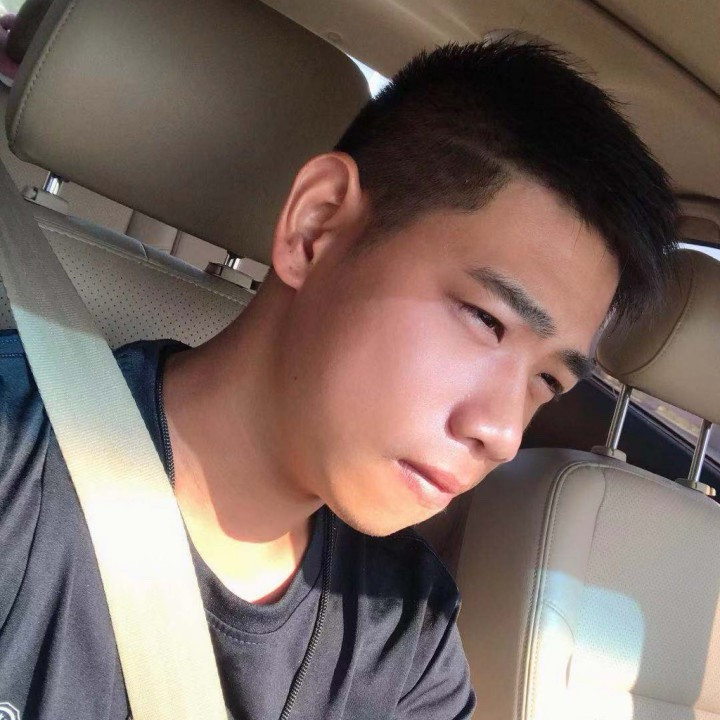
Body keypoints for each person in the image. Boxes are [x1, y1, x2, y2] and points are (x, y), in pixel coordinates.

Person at [0, 39, 677, 719]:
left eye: (548, 382)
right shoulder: (17, 460)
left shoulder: (408, 636)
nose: (503, 434)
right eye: (485, 319)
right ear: (316, 227)